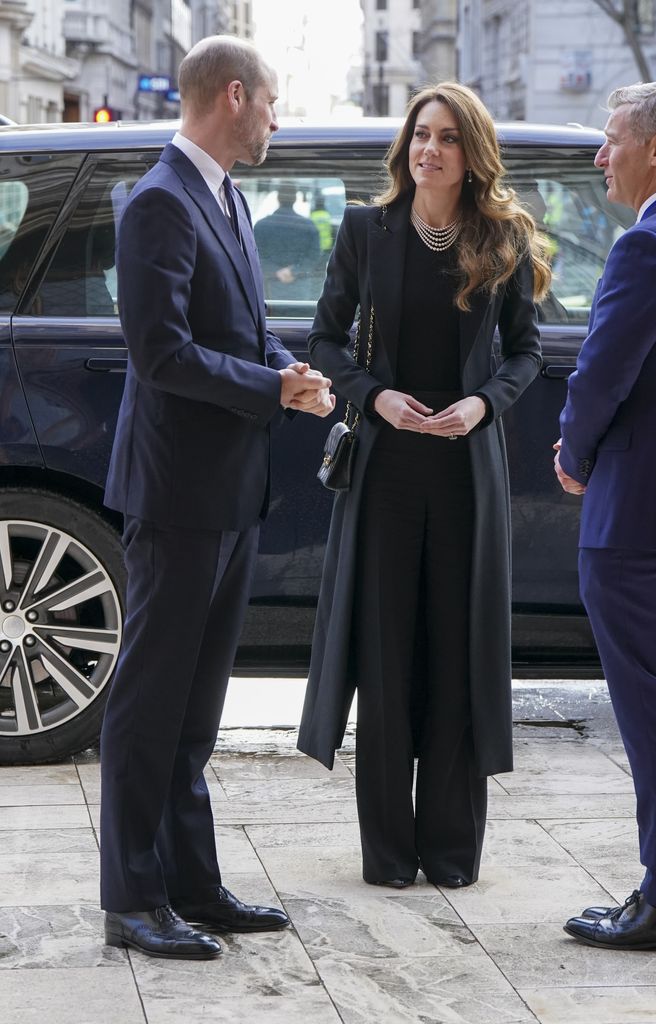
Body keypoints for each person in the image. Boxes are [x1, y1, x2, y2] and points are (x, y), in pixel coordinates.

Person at [99, 35, 334, 961]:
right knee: (149, 702)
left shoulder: (224, 194)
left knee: (197, 713)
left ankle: (192, 884)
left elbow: (241, 328)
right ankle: (130, 899)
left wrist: (288, 369)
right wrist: (265, 388)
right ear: (234, 96)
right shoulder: (158, 199)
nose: (276, 120)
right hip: (176, 491)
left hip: (230, 489)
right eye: (271, 104)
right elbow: (159, 353)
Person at [298, 83, 550, 888]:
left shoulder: (502, 235)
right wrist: (376, 397)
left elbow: (526, 352)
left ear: (470, 152)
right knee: (388, 650)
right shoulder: (366, 231)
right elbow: (326, 338)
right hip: (387, 472)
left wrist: (483, 402)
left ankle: (449, 851)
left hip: (466, 471)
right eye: (419, 135)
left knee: (456, 652)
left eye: (445, 137)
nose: (428, 149)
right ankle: (388, 855)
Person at [555, 80, 656, 953]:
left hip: (640, 513)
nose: (600, 156)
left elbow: (601, 370)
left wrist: (571, 452)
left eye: (612, 140)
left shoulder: (652, 245)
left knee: (653, 709)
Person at [253, 183, 322, 300]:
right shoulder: (308, 226)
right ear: (295, 199)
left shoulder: (261, 225)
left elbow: (254, 255)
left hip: (269, 288)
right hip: (299, 289)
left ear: (278, 198)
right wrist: (294, 271)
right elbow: (314, 255)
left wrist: (275, 271)